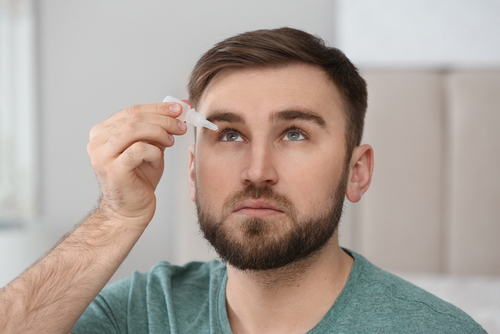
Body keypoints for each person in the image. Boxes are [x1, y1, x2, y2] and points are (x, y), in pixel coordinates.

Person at [0, 27, 486, 334]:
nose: (257, 172)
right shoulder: (145, 313)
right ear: (192, 171)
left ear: (355, 172)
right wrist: (116, 215)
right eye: (229, 134)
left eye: (294, 134)